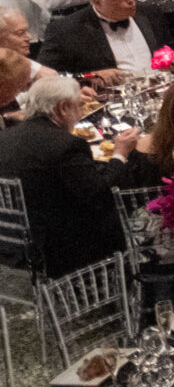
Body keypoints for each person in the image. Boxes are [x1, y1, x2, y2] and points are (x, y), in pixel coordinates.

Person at [0, 69, 133, 271]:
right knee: (120, 207)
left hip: (12, 244)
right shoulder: (67, 145)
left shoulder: (5, 137)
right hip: (61, 251)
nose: (79, 115)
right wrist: (120, 154)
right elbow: (99, 193)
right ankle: (130, 272)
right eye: (78, 107)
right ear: (62, 108)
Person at [38, 0, 174, 78]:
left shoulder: (149, 12)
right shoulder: (66, 30)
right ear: (97, 2)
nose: (131, 1)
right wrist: (91, 76)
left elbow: (171, 49)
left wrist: (173, 61)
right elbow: (46, 77)